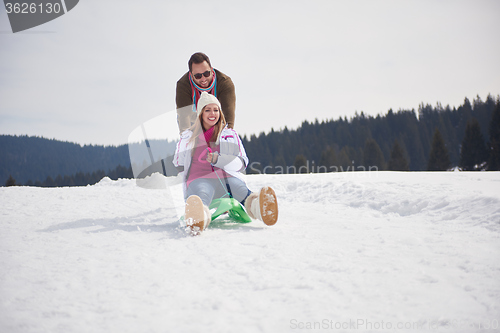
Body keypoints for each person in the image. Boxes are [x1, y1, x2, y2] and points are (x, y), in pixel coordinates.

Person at [173, 92, 278, 234]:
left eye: (216, 110)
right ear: (200, 114)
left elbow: (242, 162)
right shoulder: (188, 137)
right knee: (203, 192)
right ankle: (198, 216)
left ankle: (260, 208)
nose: (212, 113)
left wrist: (218, 159)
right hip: (199, 179)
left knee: (239, 189)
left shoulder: (230, 134)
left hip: (226, 178)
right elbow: (178, 163)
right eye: (207, 110)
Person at [176, 52, 236, 133]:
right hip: (195, 123)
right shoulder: (184, 85)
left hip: (216, 122)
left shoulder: (224, 83)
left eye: (206, 74)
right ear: (191, 74)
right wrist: (187, 137)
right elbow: (184, 116)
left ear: (211, 70)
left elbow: (228, 114)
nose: (203, 79)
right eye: (198, 76)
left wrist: (227, 134)